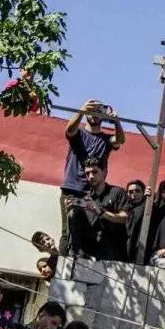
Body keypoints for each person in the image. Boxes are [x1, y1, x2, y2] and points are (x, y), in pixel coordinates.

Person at [59, 101, 124, 247]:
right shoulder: (79, 133)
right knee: (68, 230)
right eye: (91, 111)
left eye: (98, 111)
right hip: (72, 189)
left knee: (90, 231)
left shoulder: (106, 140)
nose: (94, 114)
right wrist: (81, 110)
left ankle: (82, 263)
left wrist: (116, 122)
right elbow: (70, 130)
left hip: (93, 193)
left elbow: (120, 140)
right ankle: (66, 262)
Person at [63, 159, 129, 262]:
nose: (90, 176)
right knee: (73, 213)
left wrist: (101, 212)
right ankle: (74, 256)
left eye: (94, 172)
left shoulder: (117, 192)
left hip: (111, 248)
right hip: (90, 249)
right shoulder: (85, 199)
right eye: (87, 173)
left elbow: (124, 218)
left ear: (104, 172)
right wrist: (71, 211)